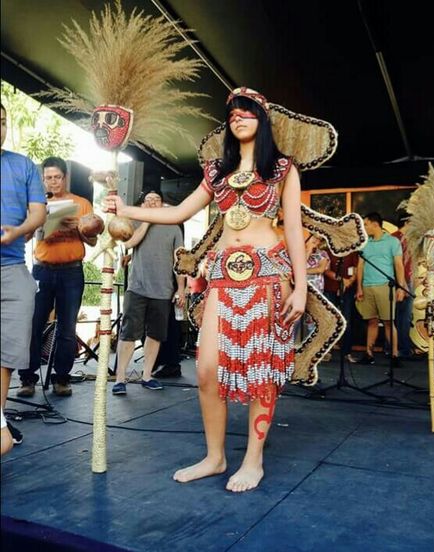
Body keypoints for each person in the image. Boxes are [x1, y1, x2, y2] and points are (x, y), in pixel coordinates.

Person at [104, 87, 309, 492]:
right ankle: (215, 457)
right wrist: (124, 209)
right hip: (221, 278)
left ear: (261, 119)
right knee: (206, 369)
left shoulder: (283, 169)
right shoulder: (216, 171)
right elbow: (180, 212)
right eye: (232, 113)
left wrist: (301, 287)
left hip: (268, 274)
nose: (238, 117)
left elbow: (295, 232)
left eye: (247, 111)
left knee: (262, 369)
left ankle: (254, 458)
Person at [17, 156, 96, 398]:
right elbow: (25, 237)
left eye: (57, 177)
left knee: (67, 327)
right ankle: (27, 379)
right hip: (42, 269)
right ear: (43, 179)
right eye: (49, 178)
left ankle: (61, 378)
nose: (53, 182)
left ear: (65, 178)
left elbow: (93, 240)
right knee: (32, 324)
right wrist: (37, 226)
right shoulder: (37, 204)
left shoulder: (81, 203)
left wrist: (78, 229)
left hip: (71, 270)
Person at [1, 102, 47, 441]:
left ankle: (0, 425)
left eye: (2, 122)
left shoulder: (24, 165)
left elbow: (38, 215)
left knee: (5, 357)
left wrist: (16, 232)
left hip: (14, 269)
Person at [112, 191, 186, 396]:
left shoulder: (173, 226)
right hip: (137, 287)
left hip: (163, 289)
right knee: (128, 333)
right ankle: (120, 379)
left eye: (157, 200)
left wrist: (181, 288)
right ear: (142, 204)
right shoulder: (135, 222)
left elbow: (180, 259)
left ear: (163, 204)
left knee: (155, 334)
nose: (153, 202)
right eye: (148, 200)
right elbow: (128, 243)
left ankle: (147, 375)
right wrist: (146, 221)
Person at [355, 212, 407, 366]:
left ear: (375, 224)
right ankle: (369, 354)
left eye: (366, 224)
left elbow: (399, 265)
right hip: (367, 287)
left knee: (388, 322)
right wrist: (359, 288)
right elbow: (360, 266)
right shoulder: (364, 243)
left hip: (385, 286)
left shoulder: (392, 242)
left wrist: (401, 287)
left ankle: (395, 356)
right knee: (371, 321)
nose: (364, 227)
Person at [324, 250, 359, 363]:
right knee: (329, 321)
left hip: (348, 290)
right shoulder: (328, 251)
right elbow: (326, 270)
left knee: (347, 320)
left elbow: (356, 269)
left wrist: (350, 281)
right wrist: (341, 280)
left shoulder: (352, 252)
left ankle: (346, 352)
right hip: (331, 288)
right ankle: (326, 351)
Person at [391, 210, 416, 360]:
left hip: (408, 279)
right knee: (398, 315)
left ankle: (401, 347)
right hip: (398, 280)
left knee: (404, 316)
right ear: (406, 222)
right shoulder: (394, 239)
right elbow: (397, 264)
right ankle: (398, 348)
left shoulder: (409, 239)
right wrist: (403, 283)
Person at [303, 235, 329, 340]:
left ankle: (311, 346)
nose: (316, 241)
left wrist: (301, 271)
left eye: (318, 239)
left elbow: (320, 269)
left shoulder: (322, 254)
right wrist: (308, 249)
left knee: (312, 317)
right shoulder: (299, 252)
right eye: (314, 238)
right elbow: (298, 264)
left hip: (316, 289)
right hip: (300, 288)